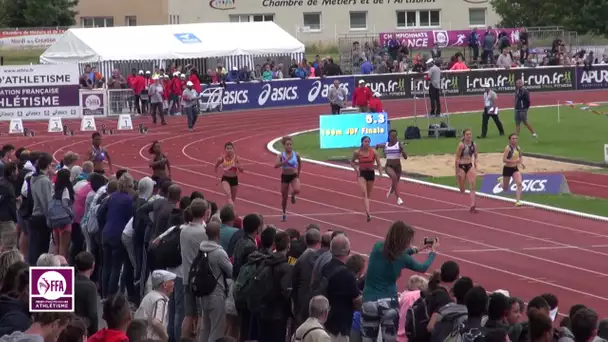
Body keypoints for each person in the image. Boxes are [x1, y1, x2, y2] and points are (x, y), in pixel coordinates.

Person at [361, 221, 437, 342]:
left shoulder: (377, 247)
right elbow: (422, 268)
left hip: (369, 300)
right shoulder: (403, 258)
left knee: (368, 339)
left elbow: (392, 253)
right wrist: (433, 253)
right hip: (388, 303)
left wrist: (415, 250)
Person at [350, 136, 383, 222]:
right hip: (362, 173)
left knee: (368, 194)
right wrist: (356, 170)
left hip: (371, 173)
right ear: (362, 142)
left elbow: (379, 164)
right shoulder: (357, 152)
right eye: (365, 141)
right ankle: (368, 213)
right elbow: (352, 161)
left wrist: (380, 174)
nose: (367, 143)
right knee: (364, 193)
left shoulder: (374, 152)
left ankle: (367, 210)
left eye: (368, 142)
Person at [376, 129, 407, 205]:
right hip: (389, 167)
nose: (393, 137)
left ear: (396, 136)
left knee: (395, 182)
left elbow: (405, 157)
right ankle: (398, 198)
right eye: (391, 136)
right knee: (394, 178)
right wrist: (375, 149)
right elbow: (377, 145)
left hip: (398, 167)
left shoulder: (398, 145)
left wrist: (402, 151)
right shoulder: (386, 145)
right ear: (389, 136)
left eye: (394, 136)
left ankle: (391, 189)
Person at [274, 136, 301, 222]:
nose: (289, 146)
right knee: (284, 198)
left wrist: (298, 173)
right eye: (287, 144)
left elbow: (300, 162)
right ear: (284, 146)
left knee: (297, 190)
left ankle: (293, 195)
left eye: (290, 144)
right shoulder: (281, 155)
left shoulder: (296, 154)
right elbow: (275, 166)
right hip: (285, 177)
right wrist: (285, 161)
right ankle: (284, 213)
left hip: (293, 175)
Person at [455, 129, 479, 213]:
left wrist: (475, 162)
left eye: (470, 134)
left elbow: (475, 155)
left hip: (469, 165)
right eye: (467, 134)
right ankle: (460, 183)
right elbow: (457, 158)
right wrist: (456, 170)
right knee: (462, 190)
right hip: (461, 166)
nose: (469, 136)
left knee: (472, 184)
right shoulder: (461, 145)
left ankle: (473, 205)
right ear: (464, 136)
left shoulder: (474, 144)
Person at [214, 142, 244, 206]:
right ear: (225, 149)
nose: (229, 150)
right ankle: (231, 210)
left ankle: (228, 210)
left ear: (233, 149)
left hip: (234, 179)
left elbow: (242, 170)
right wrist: (216, 174)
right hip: (225, 178)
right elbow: (216, 166)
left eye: (231, 148)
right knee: (229, 195)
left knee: (232, 199)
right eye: (228, 148)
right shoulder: (222, 158)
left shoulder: (236, 158)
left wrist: (237, 166)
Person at [502, 133, 525, 206]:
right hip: (507, 169)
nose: (515, 140)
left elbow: (520, 156)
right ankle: (501, 182)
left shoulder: (518, 148)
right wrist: (514, 161)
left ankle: (517, 201)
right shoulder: (508, 148)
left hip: (515, 168)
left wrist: (521, 163)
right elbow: (504, 160)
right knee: (505, 188)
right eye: (513, 138)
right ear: (509, 140)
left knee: (519, 183)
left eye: (516, 138)